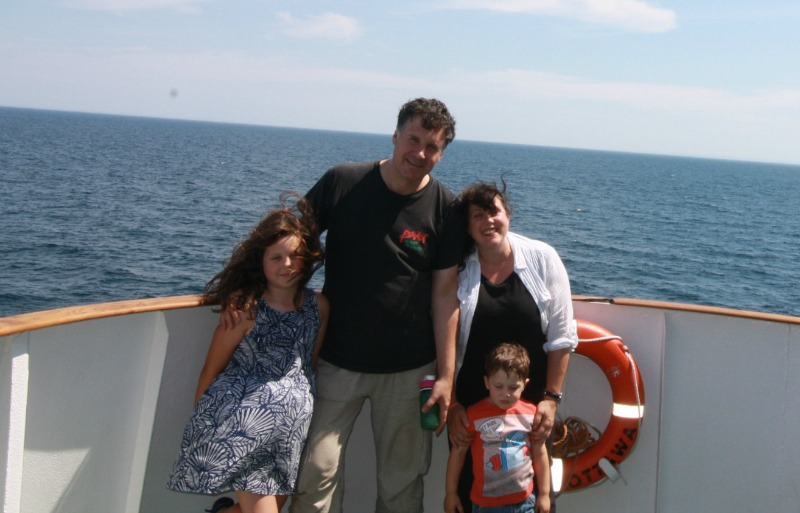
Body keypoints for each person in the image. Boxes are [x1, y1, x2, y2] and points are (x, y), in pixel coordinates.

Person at [224, 98, 463, 513]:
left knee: (402, 484)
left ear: (442, 154)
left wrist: (445, 375)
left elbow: (445, 296)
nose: (420, 153)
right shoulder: (343, 182)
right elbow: (288, 240)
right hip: (336, 359)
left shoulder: (446, 210)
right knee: (315, 474)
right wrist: (243, 288)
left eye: (433, 147)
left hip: (409, 369)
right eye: (414, 139)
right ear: (395, 137)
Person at [167, 195, 329, 513]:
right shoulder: (245, 309)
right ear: (261, 261)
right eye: (276, 257)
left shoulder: (319, 308)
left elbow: (308, 368)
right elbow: (211, 370)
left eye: (296, 256)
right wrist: (206, 428)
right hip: (243, 431)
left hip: (287, 435)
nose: (287, 265)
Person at [448, 181, 577, 512]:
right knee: (468, 494)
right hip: (471, 408)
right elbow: (443, 336)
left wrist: (550, 399)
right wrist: (452, 404)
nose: (488, 220)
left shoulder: (542, 258)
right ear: (467, 225)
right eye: (477, 215)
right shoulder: (458, 267)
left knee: (532, 496)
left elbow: (562, 336)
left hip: (530, 407)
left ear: (508, 214)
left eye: (494, 211)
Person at [445, 343, 551, 513]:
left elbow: (540, 452)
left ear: (525, 384)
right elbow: (458, 452)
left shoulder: (531, 414)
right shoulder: (473, 415)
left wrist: (544, 494)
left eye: (513, 387)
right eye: (498, 386)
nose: (506, 394)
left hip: (525, 502)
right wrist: (450, 494)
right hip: (486, 505)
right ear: (487, 382)